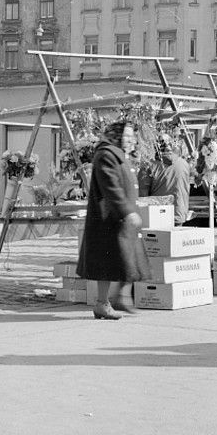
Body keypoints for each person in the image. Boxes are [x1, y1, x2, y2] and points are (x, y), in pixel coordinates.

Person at [77, 120, 149, 320]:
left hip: (119, 218)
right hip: (109, 219)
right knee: (109, 263)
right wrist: (127, 211)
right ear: (116, 136)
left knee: (127, 261)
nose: (129, 140)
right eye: (125, 136)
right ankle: (103, 303)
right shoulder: (106, 155)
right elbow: (111, 187)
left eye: (130, 136)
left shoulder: (118, 155)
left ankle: (121, 297)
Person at [143, 133, 191, 225]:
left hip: (158, 217)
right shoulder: (184, 164)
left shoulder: (149, 166)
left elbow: (142, 197)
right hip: (180, 214)